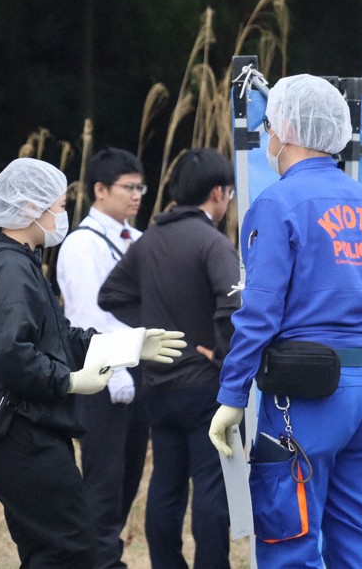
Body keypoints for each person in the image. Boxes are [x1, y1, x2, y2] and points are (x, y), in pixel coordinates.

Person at [0, 157, 186, 568]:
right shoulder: (8, 267)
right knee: (71, 547)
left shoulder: (20, 261)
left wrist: (128, 346)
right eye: (59, 207)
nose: (63, 217)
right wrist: (68, 381)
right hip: (19, 428)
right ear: (30, 208)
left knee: (50, 550)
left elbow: (63, 336)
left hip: (29, 425)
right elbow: (8, 351)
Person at [207, 75, 362, 568]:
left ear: (286, 130)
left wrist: (232, 395)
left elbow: (259, 312)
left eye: (270, 127)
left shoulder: (277, 203)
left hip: (306, 399)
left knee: (288, 543)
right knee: (361, 544)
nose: (268, 137)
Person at [98, 148, 240, 569]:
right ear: (218, 192)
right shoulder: (212, 242)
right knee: (210, 489)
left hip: (158, 385)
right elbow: (233, 307)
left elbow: (110, 295)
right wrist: (222, 356)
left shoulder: (149, 240)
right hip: (204, 386)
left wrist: (152, 330)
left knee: (166, 486)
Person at [55, 147, 148, 568]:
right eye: (128, 187)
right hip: (102, 375)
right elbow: (86, 314)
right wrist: (114, 370)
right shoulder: (81, 244)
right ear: (100, 190)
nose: (137, 195)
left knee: (129, 475)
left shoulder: (139, 240)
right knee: (104, 478)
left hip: (141, 371)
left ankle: (105, 554)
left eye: (140, 187)